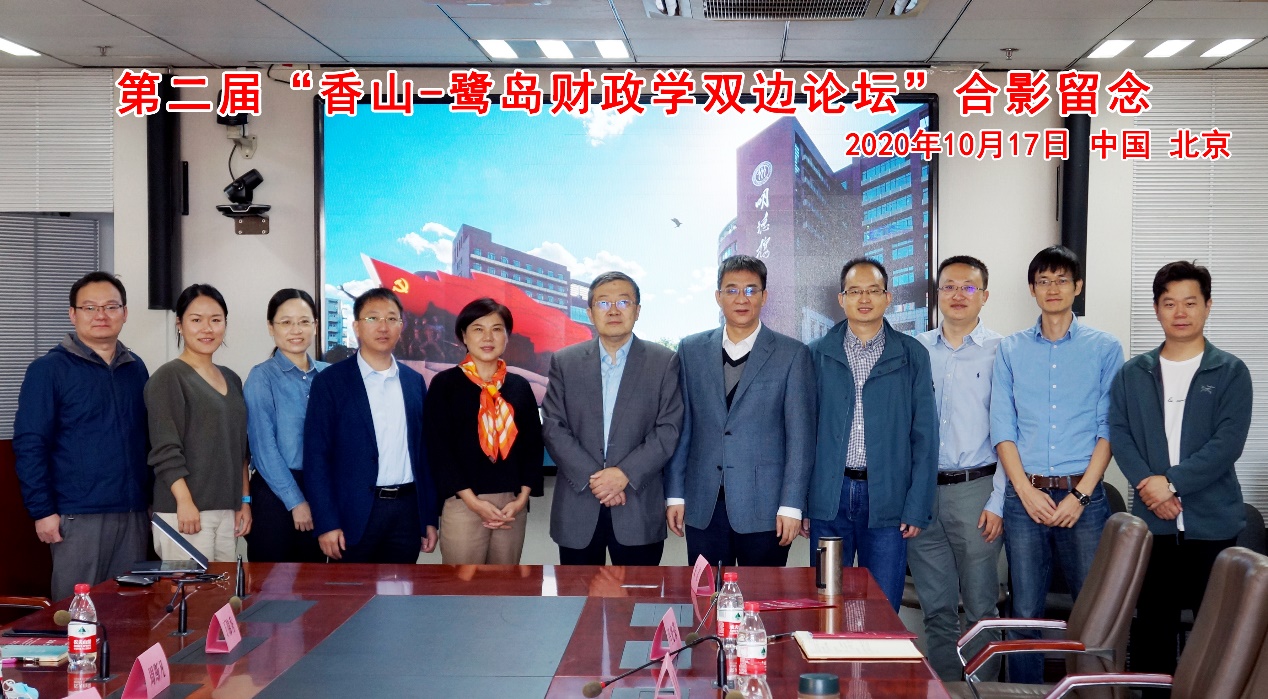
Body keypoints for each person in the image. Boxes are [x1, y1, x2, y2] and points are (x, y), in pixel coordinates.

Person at [1111, 261, 1252, 696]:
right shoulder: (1134, 373)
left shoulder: (1230, 371)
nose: (1180, 312)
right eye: (1169, 303)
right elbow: (1120, 434)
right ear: (1157, 309)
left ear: (1207, 306)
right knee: (1152, 632)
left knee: (1216, 637)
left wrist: (1169, 484)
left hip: (1213, 525)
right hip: (1154, 526)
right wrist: (1150, 487)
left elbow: (1227, 444)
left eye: (1190, 302)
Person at [990, 245, 1123, 684]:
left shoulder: (1104, 348)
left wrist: (1080, 495)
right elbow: (1003, 429)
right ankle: (1023, 693)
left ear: (1077, 287)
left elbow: (1109, 428)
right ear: (1032, 289)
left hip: (1083, 498)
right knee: (1025, 610)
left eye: (1061, 280)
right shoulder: (1010, 349)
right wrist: (1025, 492)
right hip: (1024, 498)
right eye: (1043, 281)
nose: (1052, 288)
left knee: (1091, 610)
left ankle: (1091, 692)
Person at [805, 258, 938, 612]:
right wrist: (803, 503)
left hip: (888, 500)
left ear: (888, 297)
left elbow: (925, 437)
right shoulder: (816, 354)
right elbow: (802, 435)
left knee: (881, 609)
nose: (864, 299)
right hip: (828, 499)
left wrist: (917, 505)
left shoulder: (912, 355)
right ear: (841, 299)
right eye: (854, 291)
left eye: (873, 290)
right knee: (827, 604)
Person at [665, 255, 816, 567]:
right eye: (731, 290)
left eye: (751, 290)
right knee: (707, 593)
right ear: (718, 296)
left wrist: (792, 504)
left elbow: (800, 438)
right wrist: (676, 494)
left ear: (764, 296)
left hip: (767, 508)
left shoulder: (792, 354)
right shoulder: (690, 350)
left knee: (762, 596)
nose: (741, 298)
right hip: (704, 504)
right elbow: (682, 429)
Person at [14, 272, 150, 600]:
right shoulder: (48, 370)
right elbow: (30, 444)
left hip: (133, 513)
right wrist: (42, 511)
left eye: (111, 306)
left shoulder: (136, 368)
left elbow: (146, 439)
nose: (101, 315)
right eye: (90, 307)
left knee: (129, 611)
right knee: (78, 613)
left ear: (125, 313)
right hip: (77, 515)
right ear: (73, 314)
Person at [543, 271, 683, 565]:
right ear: (590, 312)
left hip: (637, 504)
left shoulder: (663, 361)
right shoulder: (565, 361)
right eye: (604, 303)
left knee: (638, 593)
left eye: (624, 302)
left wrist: (624, 475)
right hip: (579, 504)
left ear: (638, 310)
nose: (614, 310)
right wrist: (598, 480)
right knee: (578, 593)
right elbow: (554, 427)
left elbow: (668, 430)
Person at [911, 256, 1007, 681]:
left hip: (977, 491)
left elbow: (1012, 433)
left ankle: (983, 692)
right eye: (949, 286)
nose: (958, 295)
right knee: (936, 610)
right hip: (922, 494)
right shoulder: (914, 349)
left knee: (982, 609)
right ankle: (948, 689)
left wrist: (999, 500)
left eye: (968, 287)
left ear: (984, 296)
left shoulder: (1003, 351)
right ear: (936, 294)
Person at [304, 287, 438, 563]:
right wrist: (326, 522)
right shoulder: (330, 382)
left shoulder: (413, 382)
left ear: (401, 326)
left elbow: (424, 454)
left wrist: (428, 517)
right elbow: (316, 457)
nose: (383, 326)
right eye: (373, 318)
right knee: (351, 590)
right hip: (352, 515)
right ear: (356, 327)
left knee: (402, 589)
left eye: (391, 318)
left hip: (406, 513)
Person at [424, 298, 543, 565]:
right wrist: (473, 503)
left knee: (505, 586)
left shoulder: (520, 386)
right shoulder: (445, 384)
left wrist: (522, 499)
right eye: (478, 329)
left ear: (507, 336)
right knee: (462, 586)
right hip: (463, 502)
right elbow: (439, 450)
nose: (488, 337)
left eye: (497, 329)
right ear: (463, 336)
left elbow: (533, 446)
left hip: (511, 505)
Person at [147, 284, 252, 562]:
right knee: (192, 590)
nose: (207, 328)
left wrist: (244, 502)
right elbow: (165, 449)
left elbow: (240, 450)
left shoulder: (232, 378)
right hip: (184, 512)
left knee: (226, 588)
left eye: (216, 320)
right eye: (196, 320)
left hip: (227, 511)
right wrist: (184, 502)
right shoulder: (168, 377)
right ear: (179, 325)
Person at [242, 289, 328, 563]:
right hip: (275, 493)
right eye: (286, 322)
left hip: (319, 489)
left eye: (304, 322)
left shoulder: (329, 375)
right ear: (271, 327)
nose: (296, 330)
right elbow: (263, 448)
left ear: (316, 325)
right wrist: (296, 501)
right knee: (272, 584)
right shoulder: (262, 377)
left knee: (315, 581)